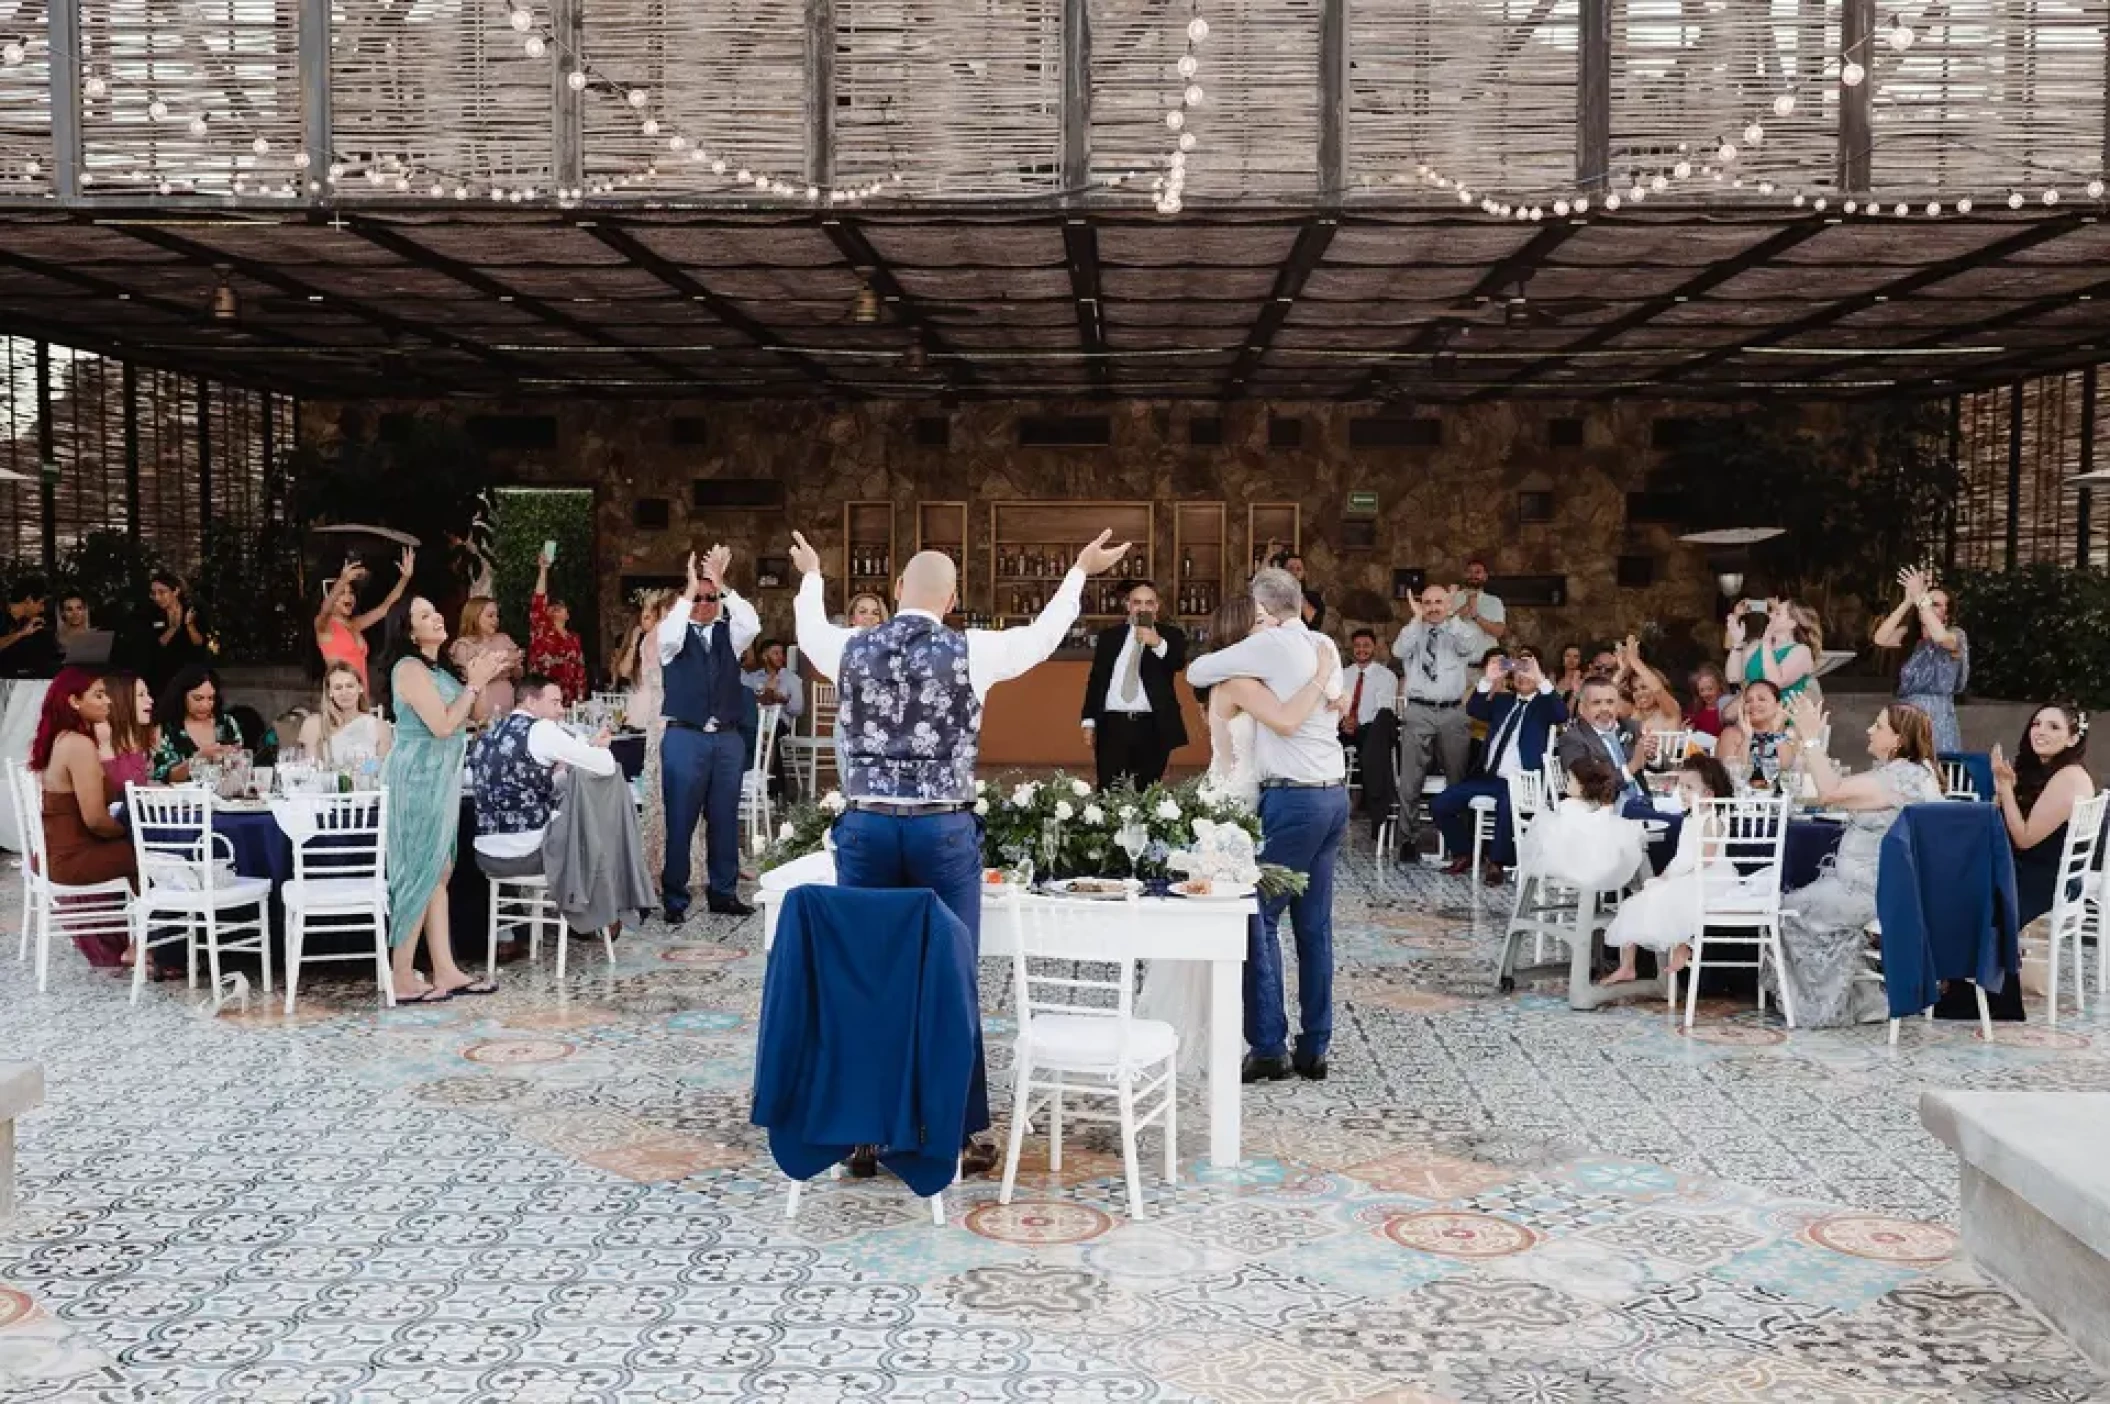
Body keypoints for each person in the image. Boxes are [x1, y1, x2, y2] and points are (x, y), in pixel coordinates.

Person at [790, 524, 1135, 1175]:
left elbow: (809, 630)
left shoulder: (851, 648)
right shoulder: (970, 649)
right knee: (952, 978)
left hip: (867, 828)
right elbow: (1041, 641)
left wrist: (812, 575)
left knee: (867, 975)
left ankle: (864, 1134)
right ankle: (959, 1130)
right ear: (952, 601)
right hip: (941, 831)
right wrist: (1079, 572)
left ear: (895, 592)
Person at [1186, 567, 1349, 1084]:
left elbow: (1195, 671)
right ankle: (1315, 1046)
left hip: (1294, 801)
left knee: (1258, 915)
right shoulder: (1324, 644)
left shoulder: (1271, 647)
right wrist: (1323, 681)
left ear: (1266, 610)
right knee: (1313, 925)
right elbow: (1332, 703)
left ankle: (1270, 1045)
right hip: (1333, 796)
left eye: (1259, 614)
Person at [1767, 696, 1943, 1028]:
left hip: (1872, 892)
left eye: (1878, 726)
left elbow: (1830, 792)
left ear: (1898, 740)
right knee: (1800, 899)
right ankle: (1858, 996)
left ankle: (1824, 1005)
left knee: (1785, 909)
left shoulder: (1900, 778)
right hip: (1882, 886)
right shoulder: (1913, 773)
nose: (1869, 730)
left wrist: (1810, 739)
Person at [383, 596, 508, 1002]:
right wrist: (472, 684)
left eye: (435, 610)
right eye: (424, 615)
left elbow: (476, 715)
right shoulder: (409, 668)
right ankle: (401, 974)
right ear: (408, 629)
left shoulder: (438, 670)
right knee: (418, 868)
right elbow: (441, 725)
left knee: (440, 869)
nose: (437, 616)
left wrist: (481, 678)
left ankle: (445, 970)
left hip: (442, 777)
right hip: (418, 775)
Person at [656, 545, 761, 922]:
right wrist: (688, 589)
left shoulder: (728, 634)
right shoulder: (672, 638)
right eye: (697, 598)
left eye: (709, 597)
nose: (703, 603)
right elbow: (668, 632)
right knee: (680, 819)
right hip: (686, 737)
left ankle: (724, 892)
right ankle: (674, 897)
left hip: (727, 739)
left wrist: (723, 585)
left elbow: (752, 624)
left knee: (725, 818)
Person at [29, 669, 138, 967]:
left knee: (141, 852)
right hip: (71, 859)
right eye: (99, 695)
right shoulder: (78, 745)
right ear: (74, 701)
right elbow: (95, 821)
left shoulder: (59, 739)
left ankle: (139, 941)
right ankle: (146, 946)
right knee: (154, 857)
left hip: (53, 854)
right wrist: (129, 833)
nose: (109, 702)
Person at [1602, 754, 1739, 985]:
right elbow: (1680, 856)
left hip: (1709, 878)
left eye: (1689, 787)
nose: (1682, 792)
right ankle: (1627, 966)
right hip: (1687, 873)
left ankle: (1683, 945)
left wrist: (1675, 877)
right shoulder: (1688, 819)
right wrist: (1666, 875)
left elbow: (1705, 859)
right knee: (1636, 903)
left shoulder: (1713, 819)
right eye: (1680, 786)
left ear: (1709, 794)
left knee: (1678, 901)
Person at [467, 672, 621, 877]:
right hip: (530, 853)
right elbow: (606, 765)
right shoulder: (541, 729)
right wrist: (600, 747)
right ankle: (588, 901)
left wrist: (562, 767)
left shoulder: (491, 732)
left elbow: (507, 783)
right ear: (531, 702)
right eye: (555, 703)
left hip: (486, 856)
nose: (561, 710)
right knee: (593, 822)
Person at [1433, 648, 1567, 883]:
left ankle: (1497, 862)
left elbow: (1561, 713)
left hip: (1523, 780)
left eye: (1527, 670)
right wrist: (1488, 679)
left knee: (1508, 805)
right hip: (1490, 777)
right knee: (1441, 803)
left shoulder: (1545, 705)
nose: (1522, 676)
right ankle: (1464, 852)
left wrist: (1541, 679)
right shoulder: (1504, 701)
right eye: (1518, 670)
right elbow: (1474, 709)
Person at [1391, 582, 1490, 861]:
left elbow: (1473, 648)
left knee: (1457, 778)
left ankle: (1460, 845)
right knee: (1410, 779)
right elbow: (1399, 651)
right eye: (1428, 602)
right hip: (1418, 710)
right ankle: (1408, 840)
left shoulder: (1458, 629)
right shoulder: (1413, 630)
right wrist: (1415, 618)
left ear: (1447, 605)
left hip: (1452, 711)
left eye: (1439, 602)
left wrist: (1451, 619)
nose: (1433, 608)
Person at [1993, 704, 2095, 928]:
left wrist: (2006, 789)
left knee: (1959, 885)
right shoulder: (2045, 772)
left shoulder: (2069, 778)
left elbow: (2024, 839)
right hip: (2027, 868)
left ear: (2072, 739)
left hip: (2042, 880)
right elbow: (1999, 822)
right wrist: (2003, 792)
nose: (2040, 731)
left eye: (2054, 727)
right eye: (2036, 724)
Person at [1080, 581, 1188, 791]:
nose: (1143, 608)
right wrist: (1089, 720)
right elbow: (1097, 681)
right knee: (1108, 792)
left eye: (1149, 603)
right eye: (1137, 602)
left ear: (1157, 607)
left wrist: (1157, 643)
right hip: (1112, 724)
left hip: (1152, 725)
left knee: (1148, 793)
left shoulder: (1171, 636)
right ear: (1128, 605)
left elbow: (1177, 663)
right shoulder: (1109, 637)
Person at [1875, 566, 1969, 754]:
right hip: (1905, 715)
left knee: (1935, 768)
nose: (1926, 605)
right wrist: (1908, 601)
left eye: (1935, 604)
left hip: (1936, 716)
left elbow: (1940, 638)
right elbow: (1880, 638)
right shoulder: (1909, 636)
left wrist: (1922, 596)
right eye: (1926, 601)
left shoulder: (1955, 635)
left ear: (1947, 613)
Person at [1528, 751, 1648, 896]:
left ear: (1582, 787)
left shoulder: (1571, 806)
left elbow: (1582, 827)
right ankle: (1640, 891)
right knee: (1627, 843)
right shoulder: (1589, 808)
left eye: (1570, 780)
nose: (1566, 783)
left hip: (1576, 861)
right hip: (1589, 863)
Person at [314, 548, 414, 698]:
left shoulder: (355, 624)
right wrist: (343, 580)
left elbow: (384, 608)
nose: (348, 597)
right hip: (340, 697)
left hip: (361, 697)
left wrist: (405, 578)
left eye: (351, 593)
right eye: (342, 593)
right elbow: (326, 608)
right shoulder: (323, 626)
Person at [1339, 628, 1400, 838]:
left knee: (1374, 749)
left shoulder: (1387, 676)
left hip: (1370, 730)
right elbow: (1336, 704)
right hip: (1344, 727)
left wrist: (1357, 724)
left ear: (1374, 648)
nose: (1361, 650)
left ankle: (1377, 810)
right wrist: (1343, 721)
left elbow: (1385, 712)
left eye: (1366, 645)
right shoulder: (1343, 675)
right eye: (1357, 646)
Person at [1557, 676, 1652, 809]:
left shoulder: (1632, 727)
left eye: (1610, 702)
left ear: (1617, 705)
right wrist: (1631, 767)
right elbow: (1591, 785)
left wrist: (1653, 756)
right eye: (1596, 703)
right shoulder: (1572, 739)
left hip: (1646, 802)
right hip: (1604, 811)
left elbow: (1664, 767)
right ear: (1582, 709)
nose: (1604, 709)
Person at [150, 665, 245, 784]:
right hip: (182, 800)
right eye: (198, 698)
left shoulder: (227, 723)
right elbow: (164, 775)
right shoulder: (166, 729)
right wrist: (198, 758)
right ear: (181, 695)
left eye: (211, 698)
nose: (205, 705)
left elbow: (241, 764)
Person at [295, 661, 393, 767]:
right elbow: (310, 768)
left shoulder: (379, 727)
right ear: (330, 693)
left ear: (360, 688)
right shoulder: (314, 724)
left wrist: (356, 772)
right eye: (338, 687)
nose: (344, 692)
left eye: (350, 686)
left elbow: (384, 769)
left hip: (367, 782)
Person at [743, 637, 806, 802]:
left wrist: (783, 700)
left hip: (780, 722)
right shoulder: (753, 678)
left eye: (782, 653)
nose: (780, 657)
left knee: (770, 734)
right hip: (755, 722)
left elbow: (798, 709)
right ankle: (759, 783)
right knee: (747, 734)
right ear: (764, 656)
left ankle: (772, 787)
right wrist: (765, 695)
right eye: (775, 653)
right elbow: (745, 700)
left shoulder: (792, 679)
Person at [1726, 597, 1818, 708]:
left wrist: (1766, 640)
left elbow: (1774, 683)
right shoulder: (1756, 646)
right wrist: (1737, 643)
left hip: (1782, 721)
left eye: (1778, 613)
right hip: (1752, 716)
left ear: (1792, 623)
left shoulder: (1802, 651)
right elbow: (1733, 678)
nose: (1770, 615)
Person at [1715, 678, 1800, 788]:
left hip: (1779, 801)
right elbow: (1730, 777)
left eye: (1762, 699)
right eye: (1748, 701)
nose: (1754, 704)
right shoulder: (1731, 734)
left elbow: (1786, 767)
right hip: (1741, 800)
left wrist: (1777, 732)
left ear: (1778, 705)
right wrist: (1747, 737)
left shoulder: (1789, 734)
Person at [527, 549, 586, 705]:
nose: (556, 606)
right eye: (553, 605)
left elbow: (580, 670)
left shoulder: (574, 638)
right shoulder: (541, 629)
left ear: (568, 615)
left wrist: (580, 698)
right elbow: (539, 599)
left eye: (561, 605)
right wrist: (543, 570)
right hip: (542, 695)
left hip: (568, 698)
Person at [450, 596, 523, 722]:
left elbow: (519, 673)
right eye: (490, 616)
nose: (496, 620)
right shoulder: (463, 645)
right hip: (481, 708)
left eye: (497, 616)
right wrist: (507, 662)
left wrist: (510, 664)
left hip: (508, 703)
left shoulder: (504, 638)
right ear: (474, 616)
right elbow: (472, 677)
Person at [138, 572, 212, 694]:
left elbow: (199, 643)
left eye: (162, 592)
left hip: (189, 670)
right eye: (153, 593)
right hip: (160, 673)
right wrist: (173, 628)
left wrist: (189, 625)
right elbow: (155, 644)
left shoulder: (193, 610)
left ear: (176, 591)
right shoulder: (150, 613)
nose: (157, 597)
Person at [95, 671, 157, 794]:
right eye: (141, 695)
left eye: (148, 694)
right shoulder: (102, 733)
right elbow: (116, 789)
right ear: (120, 700)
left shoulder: (138, 736)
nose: (150, 700)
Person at [1616, 636, 1684, 735]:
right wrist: (1623, 671)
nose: (1639, 693)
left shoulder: (1670, 709)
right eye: (1635, 689)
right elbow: (1605, 699)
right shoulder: (1633, 712)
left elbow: (1658, 690)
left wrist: (1634, 660)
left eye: (1644, 687)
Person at [0, 578, 58, 678]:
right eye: (41, 603)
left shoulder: (28, 623)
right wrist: (21, 633)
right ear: (29, 600)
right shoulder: (2, 617)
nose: (42, 609)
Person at [1450, 557, 1507, 642]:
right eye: (1469, 572)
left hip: (1485, 654)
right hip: (1456, 654)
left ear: (1485, 576)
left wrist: (1476, 616)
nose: (1473, 575)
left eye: (1477, 572)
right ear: (1464, 575)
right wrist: (1465, 608)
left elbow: (1499, 632)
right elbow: (1444, 627)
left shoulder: (1495, 601)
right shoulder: (1452, 597)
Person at [1281, 553, 1325, 631]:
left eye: (1298, 569)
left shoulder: (1314, 597)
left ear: (1303, 573)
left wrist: (1297, 591)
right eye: (1290, 568)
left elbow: (1314, 623)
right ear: (1283, 571)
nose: (1294, 572)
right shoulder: (1275, 594)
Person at [1685, 663, 1728, 738]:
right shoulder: (1694, 711)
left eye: (1710, 689)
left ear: (1720, 686)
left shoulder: (1729, 710)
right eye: (1702, 690)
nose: (1706, 694)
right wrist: (1684, 730)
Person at [55, 592, 92, 657]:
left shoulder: (96, 637)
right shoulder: (55, 639)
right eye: (69, 609)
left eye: (79, 608)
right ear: (62, 613)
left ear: (85, 610)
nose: (75, 613)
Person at [1554, 644, 1587, 713]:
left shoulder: (1583, 680)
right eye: (1567, 656)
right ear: (1562, 658)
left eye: (1576, 657)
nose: (1571, 660)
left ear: (1580, 660)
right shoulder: (1554, 677)